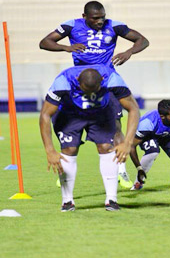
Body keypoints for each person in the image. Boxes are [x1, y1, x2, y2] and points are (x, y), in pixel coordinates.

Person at [39, 0, 149, 188]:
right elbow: (44, 42)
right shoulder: (71, 25)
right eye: (95, 18)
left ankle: (121, 172)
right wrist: (67, 48)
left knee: (115, 126)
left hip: (106, 82)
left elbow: (143, 40)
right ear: (84, 17)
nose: (100, 21)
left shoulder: (114, 26)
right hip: (79, 83)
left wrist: (129, 51)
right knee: (71, 127)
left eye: (102, 17)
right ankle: (66, 168)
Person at [39, 64, 140, 211]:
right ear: (78, 81)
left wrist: (127, 142)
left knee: (107, 147)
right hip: (70, 114)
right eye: (85, 91)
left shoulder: (112, 79)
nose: (89, 94)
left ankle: (111, 199)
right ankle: (67, 201)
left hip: (100, 113)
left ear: (102, 81)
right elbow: (45, 114)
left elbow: (133, 108)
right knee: (69, 149)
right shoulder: (63, 82)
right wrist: (50, 150)